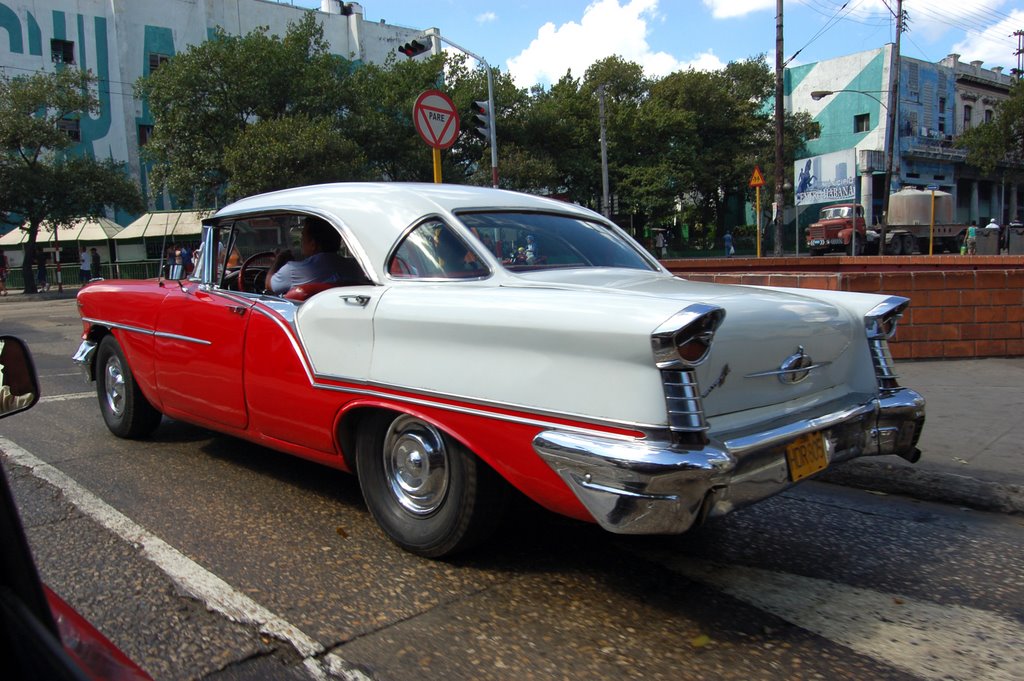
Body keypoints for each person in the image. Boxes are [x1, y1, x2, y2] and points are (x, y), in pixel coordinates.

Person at [264, 216, 356, 294]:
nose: (301, 241)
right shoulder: (354, 267)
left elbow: (269, 285)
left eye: (303, 236)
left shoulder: (292, 270)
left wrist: (278, 259)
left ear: (313, 244)